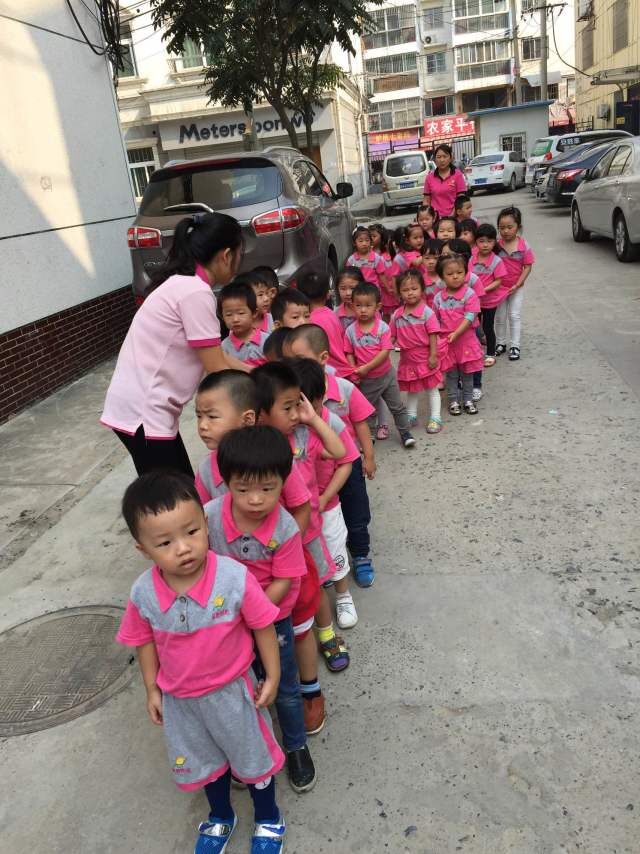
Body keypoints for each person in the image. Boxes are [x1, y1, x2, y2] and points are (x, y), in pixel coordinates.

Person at [116, 471, 286, 854]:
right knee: (204, 763)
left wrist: (273, 675)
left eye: (192, 532)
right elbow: (143, 641)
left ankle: (268, 816)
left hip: (234, 693)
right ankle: (221, 815)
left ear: (205, 524)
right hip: (181, 701)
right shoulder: (143, 593)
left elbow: (262, 624)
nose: (183, 548)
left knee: (253, 758)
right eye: (165, 542)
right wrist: (152, 689)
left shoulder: (233, 577)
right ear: (143, 549)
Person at [204, 426, 316, 794]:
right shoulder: (208, 517)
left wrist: (253, 614)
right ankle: (249, 749)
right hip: (224, 621)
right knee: (240, 687)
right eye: (243, 489)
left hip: (272, 616)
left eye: (268, 489)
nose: (255, 499)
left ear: (284, 481)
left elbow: (284, 579)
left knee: (283, 685)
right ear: (226, 482)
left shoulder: (285, 526)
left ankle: (296, 745)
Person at [101, 213, 245, 476]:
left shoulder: (183, 284)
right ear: (226, 256)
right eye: (239, 254)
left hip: (144, 408)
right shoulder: (195, 292)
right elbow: (217, 368)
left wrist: (259, 370)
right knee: (173, 495)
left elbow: (218, 357)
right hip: (145, 412)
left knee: (180, 487)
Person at [284, 324, 378, 589]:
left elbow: (360, 422)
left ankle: (360, 555)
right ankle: (328, 562)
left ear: (323, 357)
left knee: (356, 513)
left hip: (348, 462)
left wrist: (368, 456)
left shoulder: (343, 389)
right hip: (317, 472)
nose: (292, 365)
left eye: (299, 358)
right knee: (326, 520)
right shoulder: (293, 402)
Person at [193, 370, 311, 538]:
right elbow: (201, 517)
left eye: (212, 416)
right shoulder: (206, 469)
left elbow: (301, 508)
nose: (203, 425)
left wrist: (290, 546)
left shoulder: (274, 455)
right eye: (199, 416)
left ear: (248, 419)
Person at [289, 358, 360, 630]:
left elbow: (345, 461)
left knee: (334, 547)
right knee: (309, 556)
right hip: (299, 510)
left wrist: (324, 498)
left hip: (326, 504)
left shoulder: (329, 422)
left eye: (308, 406)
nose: (300, 415)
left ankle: (343, 595)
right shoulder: (287, 430)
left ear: (320, 399)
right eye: (291, 407)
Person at [345, 282, 416, 449]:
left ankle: (405, 433)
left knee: (397, 407)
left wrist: (367, 367)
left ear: (377, 307)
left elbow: (385, 351)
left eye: (368, 305)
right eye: (358, 305)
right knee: (367, 410)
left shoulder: (382, 327)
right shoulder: (350, 331)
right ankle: (368, 436)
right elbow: (348, 352)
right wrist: (354, 370)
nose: (363, 310)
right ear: (352, 306)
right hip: (366, 380)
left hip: (386, 375)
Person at [390, 269, 442, 434]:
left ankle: (435, 417)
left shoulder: (427, 312)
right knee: (412, 389)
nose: (410, 293)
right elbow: (391, 336)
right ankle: (411, 416)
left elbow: (433, 335)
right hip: (407, 359)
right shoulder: (397, 315)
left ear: (422, 289)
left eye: (414, 288)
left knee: (432, 388)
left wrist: (433, 355)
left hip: (425, 357)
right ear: (399, 293)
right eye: (405, 290)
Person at [434, 253, 483, 416]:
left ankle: (468, 400)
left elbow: (470, 317)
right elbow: (435, 320)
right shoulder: (438, 298)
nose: (455, 276)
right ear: (442, 277)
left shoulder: (470, 294)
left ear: (465, 273)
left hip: (466, 341)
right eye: (450, 273)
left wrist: (456, 333)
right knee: (451, 374)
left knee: (467, 374)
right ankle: (453, 400)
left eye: (459, 272)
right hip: (447, 343)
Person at [296, 271, 358, 382]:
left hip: (331, 376)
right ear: (328, 294)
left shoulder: (309, 322)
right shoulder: (332, 314)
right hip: (345, 371)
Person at [495, 206, 535, 361]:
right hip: (499, 288)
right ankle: (500, 343)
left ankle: (515, 346)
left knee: (514, 315)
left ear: (518, 227)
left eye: (509, 227)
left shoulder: (524, 246)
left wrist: (517, 285)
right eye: (501, 228)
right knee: (500, 316)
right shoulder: (496, 246)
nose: (505, 231)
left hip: (516, 288)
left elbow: (528, 267)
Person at [472, 224, 508, 371]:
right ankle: (475, 352)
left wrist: (482, 290)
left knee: (487, 327)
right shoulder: (472, 258)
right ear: (476, 242)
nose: (485, 245)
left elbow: (499, 281)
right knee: (474, 327)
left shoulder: (496, 261)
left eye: (489, 241)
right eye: (481, 241)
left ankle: (490, 353)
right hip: (474, 302)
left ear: (494, 242)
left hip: (489, 301)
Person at [219, 281, 269, 368]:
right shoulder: (224, 347)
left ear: (254, 313)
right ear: (222, 317)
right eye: (229, 315)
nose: (235, 319)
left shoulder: (267, 340)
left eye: (241, 313)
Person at [422, 143, 467, 218]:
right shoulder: (429, 177)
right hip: (436, 219)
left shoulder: (457, 175)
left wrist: (452, 215)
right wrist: (427, 216)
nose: (442, 160)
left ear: (450, 158)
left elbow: (461, 198)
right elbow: (426, 200)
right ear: (435, 159)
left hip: (455, 217)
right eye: (438, 157)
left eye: (445, 156)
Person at [345, 226, 392, 291]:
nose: (364, 243)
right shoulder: (351, 260)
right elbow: (348, 275)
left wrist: (388, 288)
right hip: (358, 291)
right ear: (354, 243)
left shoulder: (376, 258)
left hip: (374, 291)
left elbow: (382, 275)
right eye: (360, 241)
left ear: (370, 242)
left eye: (367, 240)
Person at [334, 267, 363, 332]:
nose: (348, 293)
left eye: (352, 288)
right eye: (343, 288)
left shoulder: (371, 310)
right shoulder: (336, 314)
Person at [423, 238, 444, 308]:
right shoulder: (421, 280)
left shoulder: (447, 277)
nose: (431, 262)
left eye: (436, 258)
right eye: (427, 258)